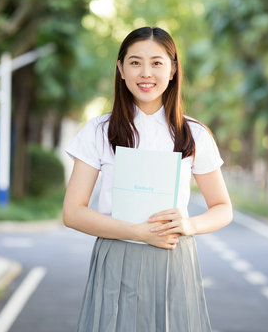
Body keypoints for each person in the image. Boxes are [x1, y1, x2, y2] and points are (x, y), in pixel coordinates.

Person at [63, 26, 233, 332]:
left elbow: (222, 207)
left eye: (156, 63)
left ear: (172, 70)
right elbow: (72, 212)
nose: (146, 73)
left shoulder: (194, 134)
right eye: (135, 62)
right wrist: (138, 232)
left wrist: (189, 225)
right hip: (116, 255)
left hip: (172, 256)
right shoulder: (99, 131)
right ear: (121, 69)